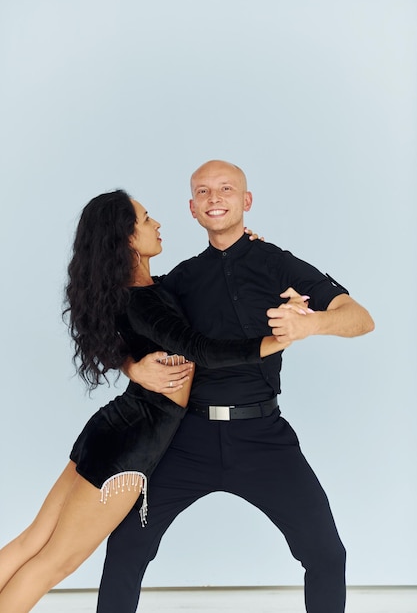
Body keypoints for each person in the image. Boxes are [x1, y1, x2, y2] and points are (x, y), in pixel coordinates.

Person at [96, 160, 375, 613]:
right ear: (192, 208)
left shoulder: (278, 264)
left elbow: (361, 318)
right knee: (126, 549)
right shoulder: (181, 280)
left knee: (327, 554)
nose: (215, 198)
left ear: (246, 202)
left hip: (264, 437)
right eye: (203, 192)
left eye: (226, 189)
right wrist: (131, 366)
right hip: (186, 439)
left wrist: (312, 325)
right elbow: (119, 317)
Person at [0, 190, 295, 613]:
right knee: (53, 563)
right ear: (127, 239)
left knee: (34, 541)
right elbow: (205, 350)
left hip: (112, 429)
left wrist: (248, 252)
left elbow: (198, 288)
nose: (157, 224)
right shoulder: (147, 301)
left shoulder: (138, 291)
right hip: (128, 451)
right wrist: (281, 338)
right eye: (146, 219)